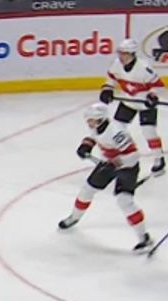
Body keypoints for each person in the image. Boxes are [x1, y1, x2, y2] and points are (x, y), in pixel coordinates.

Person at [58, 103, 152, 251]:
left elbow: (134, 155)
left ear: (100, 119)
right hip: (108, 164)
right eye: (88, 120)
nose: (89, 123)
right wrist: (86, 146)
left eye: (91, 120)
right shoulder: (98, 127)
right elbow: (93, 137)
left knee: (124, 201)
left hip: (127, 168)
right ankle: (74, 217)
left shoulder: (116, 132)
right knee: (87, 190)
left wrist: (116, 164)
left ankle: (144, 237)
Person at [100, 38, 166, 175]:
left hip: (145, 104)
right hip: (128, 102)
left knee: (149, 132)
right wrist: (107, 89)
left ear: (132, 54)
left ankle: (159, 159)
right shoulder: (116, 64)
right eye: (120, 53)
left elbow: (159, 86)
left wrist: (152, 96)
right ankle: (115, 158)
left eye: (124, 53)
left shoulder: (144, 68)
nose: (121, 56)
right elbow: (111, 78)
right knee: (116, 129)